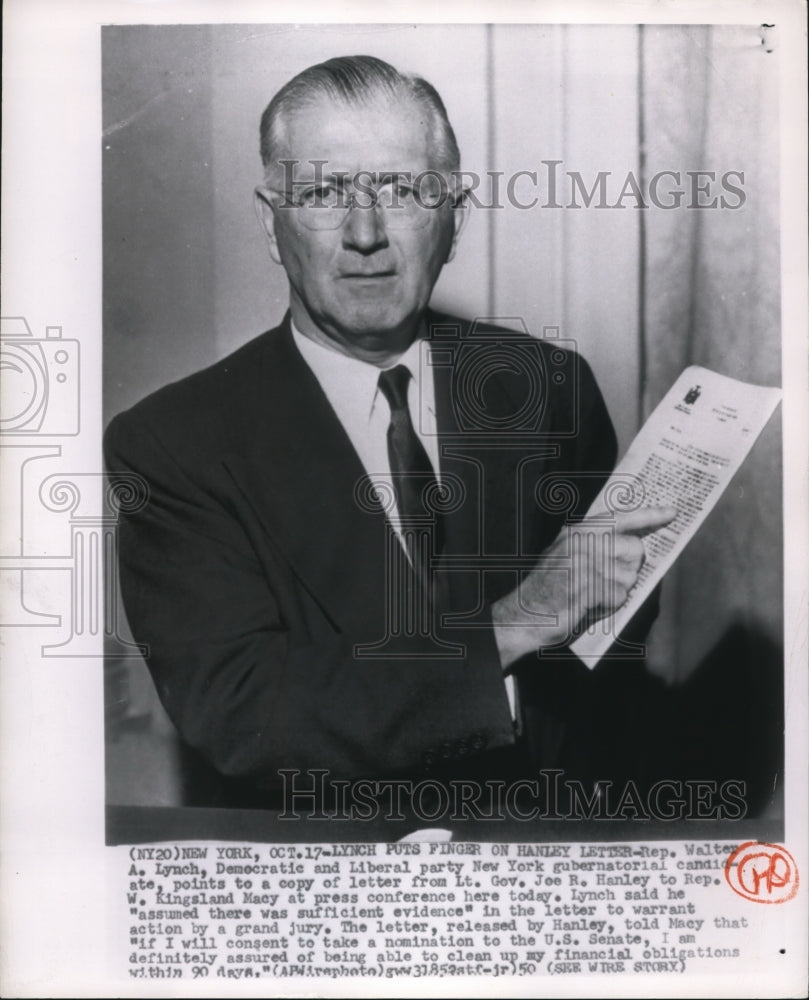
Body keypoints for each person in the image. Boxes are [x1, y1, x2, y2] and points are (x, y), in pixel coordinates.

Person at [104, 55, 674, 811]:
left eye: (402, 190)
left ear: (454, 220)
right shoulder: (173, 444)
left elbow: (607, 672)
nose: (364, 232)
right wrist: (518, 622)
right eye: (323, 191)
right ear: (270, 223)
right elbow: (244, 720)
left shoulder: (548, 390)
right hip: (316, 886)